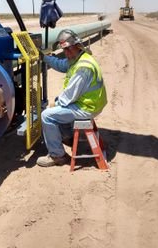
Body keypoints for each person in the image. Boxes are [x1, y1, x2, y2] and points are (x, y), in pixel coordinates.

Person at [37, 29, 107, 167]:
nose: (66, 53)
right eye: (65, 50)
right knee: (59, 107)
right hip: (91, 103)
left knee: (47, 115)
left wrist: (55, 103)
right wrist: (44, 57)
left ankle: (57, 156)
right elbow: (62, 65)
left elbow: (68, 96)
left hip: (87, 107)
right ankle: (67, 137)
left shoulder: (82, 68)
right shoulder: (79, 57)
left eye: (68, 49)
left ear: (77, 45)